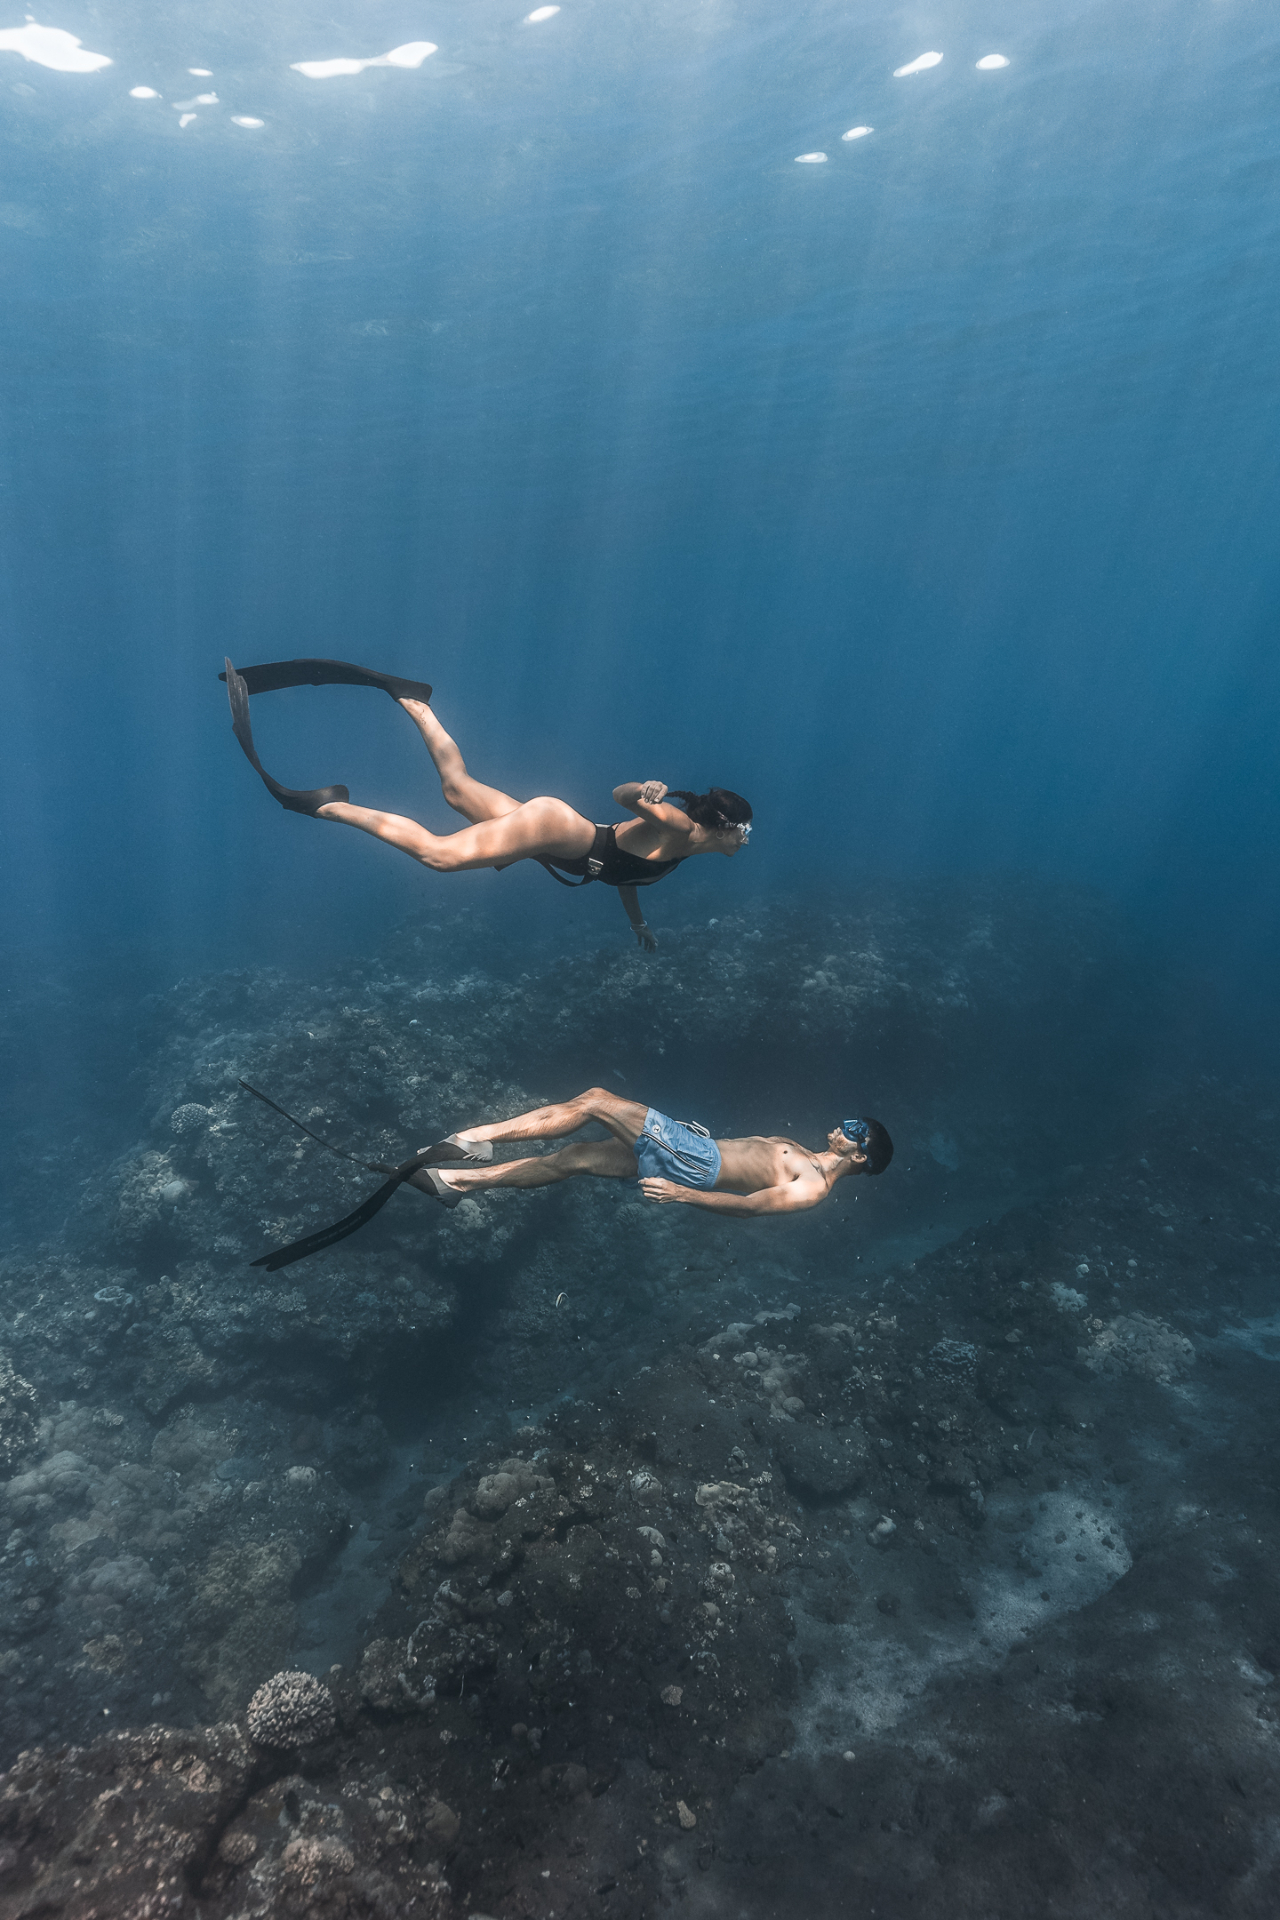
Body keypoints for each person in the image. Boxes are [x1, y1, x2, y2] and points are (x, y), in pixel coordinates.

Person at [222, 656, 751, 950]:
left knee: (457, 788)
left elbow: (629, 877)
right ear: (724, 827)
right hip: (555, 829)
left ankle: (413, 701)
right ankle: (325, 806)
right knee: (438, 856)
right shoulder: (680, 828)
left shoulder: (683, 851)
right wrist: (644, 790)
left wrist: (636, 924)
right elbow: (621, 797)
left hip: (555, 840)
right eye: (745, 832)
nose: (746, 841)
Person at [409, 1087, 893, 1217]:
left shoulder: (812, 1186)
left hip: (694, 1165)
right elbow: (743, 1154)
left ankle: (476, 1138)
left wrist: (683, 1195)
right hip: (695, 1150)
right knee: (575, 1157)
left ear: (860, 1157)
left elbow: (749, 1208)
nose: (841, 1126)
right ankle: (457, 1184)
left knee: (597, 1100)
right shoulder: (805, 1155)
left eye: (853, 1130)